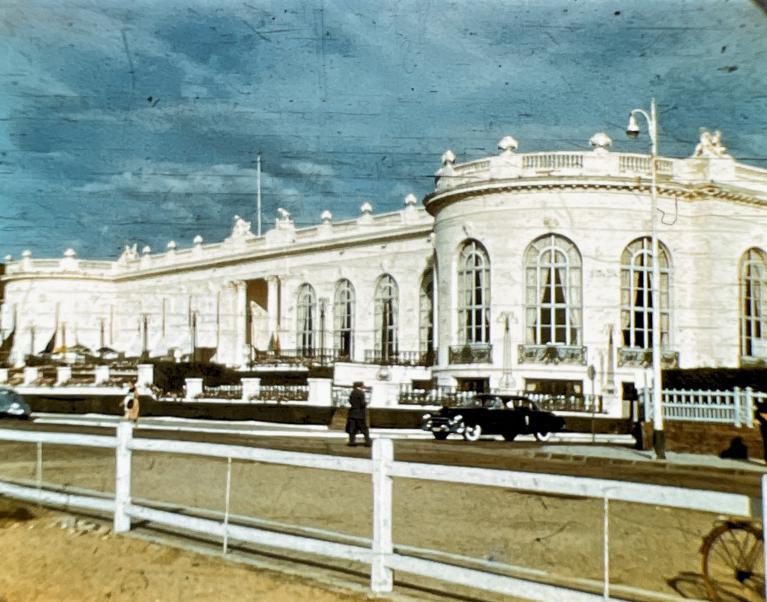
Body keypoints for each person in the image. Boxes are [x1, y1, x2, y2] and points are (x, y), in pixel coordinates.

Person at [346, 381, 371, 447]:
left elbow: (350, 401)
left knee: (352, 429)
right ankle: (367, 442)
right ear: (360, 386)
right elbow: (362, 403)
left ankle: (352, 442)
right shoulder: (361, 393)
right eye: (362, 385)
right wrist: (366, 404)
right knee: (364, 429)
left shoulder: (352, 392)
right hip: (359, 414)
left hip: (352, 413)